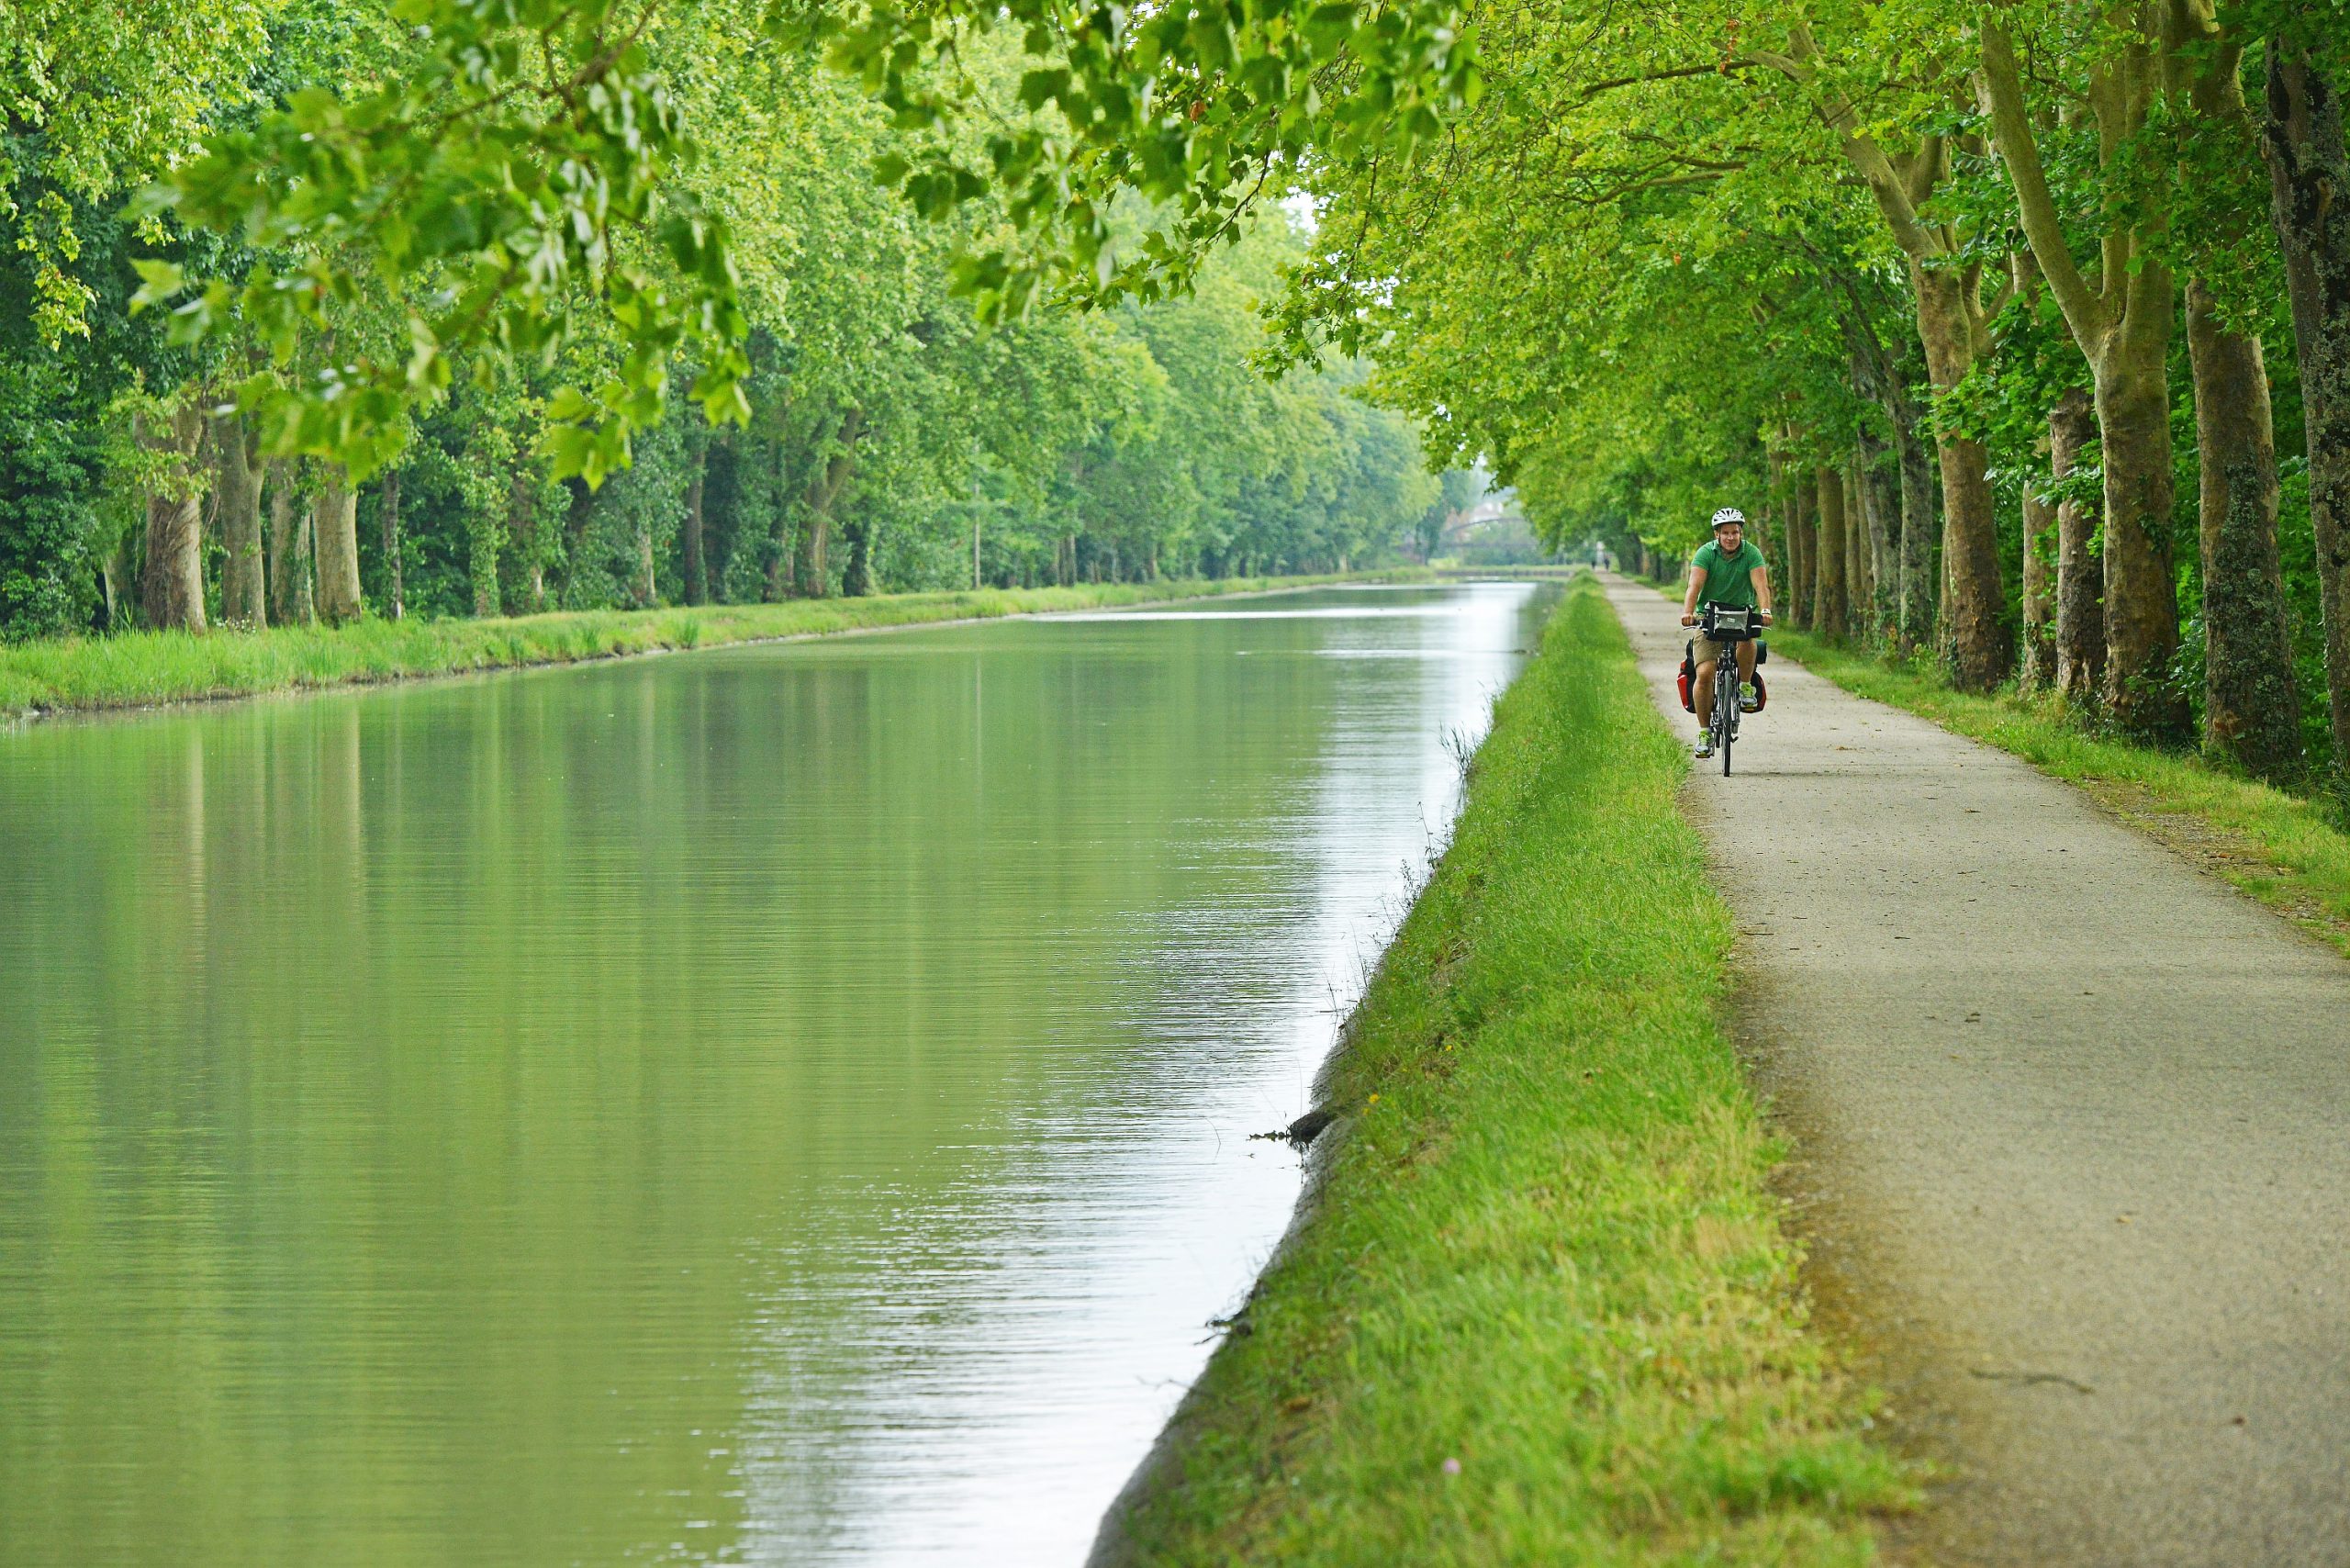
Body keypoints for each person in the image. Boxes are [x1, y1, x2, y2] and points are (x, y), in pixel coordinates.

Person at [1679, 508, 1773, 758]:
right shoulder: (1705, 554)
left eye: (1736, 532)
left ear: (1741, 533)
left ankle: (1744, 686)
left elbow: (1760, 584)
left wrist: (1764, 609)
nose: (1731, 537)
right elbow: (1694, 585)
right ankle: (1705, 732)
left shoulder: (1751, 553)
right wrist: (1689, 612)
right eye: (1726, 533)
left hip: (1741, 613)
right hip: (1709, 616)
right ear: (1717, 534)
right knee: (1705, 672)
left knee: (1748, 640)